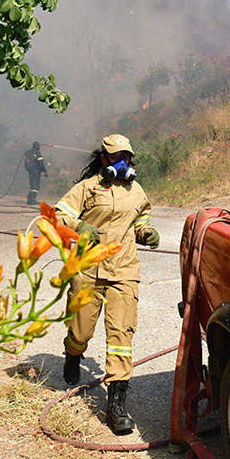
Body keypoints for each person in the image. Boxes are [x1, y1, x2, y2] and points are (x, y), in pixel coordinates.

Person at [54, 134, 160, 434]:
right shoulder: (86, 188)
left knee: (121, 336)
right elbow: (59, 216)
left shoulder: (136, 191)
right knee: (80, 330)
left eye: (126, 156)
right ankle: (73, 353)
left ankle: (116, 407)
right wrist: (79, 226)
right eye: (115, 157)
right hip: (88, 269)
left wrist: (146, 233)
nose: (121, 162)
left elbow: (141, 220)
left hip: (123, 271)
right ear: (104, 159)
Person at [23, 141, 47, 205]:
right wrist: (44, 171)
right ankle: (32, 200)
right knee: (35, 186)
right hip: (36, 172)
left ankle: (29, 199)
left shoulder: (29, 152)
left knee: (31, 185)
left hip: (30, 172)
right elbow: (41, 164)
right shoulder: (37, 153)